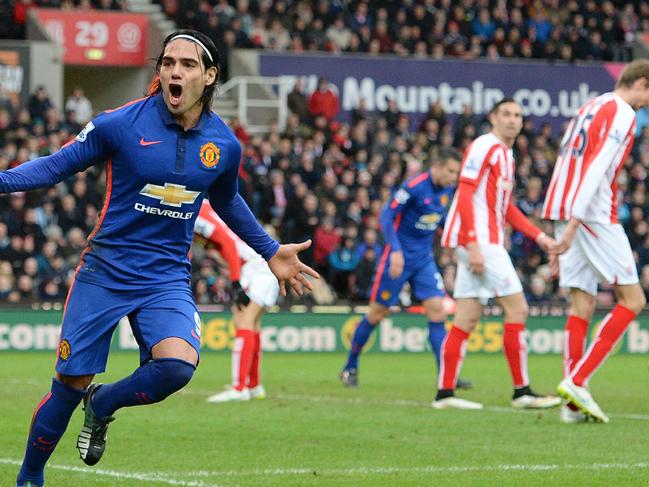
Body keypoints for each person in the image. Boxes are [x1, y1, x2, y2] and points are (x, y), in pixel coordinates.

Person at [11, 29, 317, 487]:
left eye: (188, 65)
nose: (175, 71)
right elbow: (56, 165)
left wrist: (271, 251)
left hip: (165, 277)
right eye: (168, 62)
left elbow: (228, 201)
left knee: (175, 366)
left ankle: (104, 404)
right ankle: (30, 477)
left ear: (210, 76)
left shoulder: (224, 145)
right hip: (105, 271)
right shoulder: (119, 123)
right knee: (68, 384)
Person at [435, 98, 561, 411]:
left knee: (467, 316)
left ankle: (444, 395)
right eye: (506, 114)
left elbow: (507, 210)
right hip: (479, 241)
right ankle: (522, 392)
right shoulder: (485, 146)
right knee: (517, 309)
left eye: (518, 115)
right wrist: (473, 242)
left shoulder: (506, 154)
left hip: (476, 241)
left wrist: (540, 236)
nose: (513, 120)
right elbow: (464, 191)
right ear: (493, 118)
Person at [544, 60, 649, 423]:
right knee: (633, 299)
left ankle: (572, 406)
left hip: (562, 204)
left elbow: (565, 157)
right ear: (641, 83)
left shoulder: (590, 106)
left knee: (581, 305)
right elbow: (598, 165)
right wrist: (574, 221)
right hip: (591, 212)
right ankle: (578, 380)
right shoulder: (623, 112)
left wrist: (562, 217)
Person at [340, 148, 471, 388]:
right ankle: (350, 366)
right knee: (377, 313)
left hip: (423, 259)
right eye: (451, 171)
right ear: (438, 166)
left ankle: (446, 376)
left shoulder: (446, 190)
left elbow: (437, 219)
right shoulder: (413, 186)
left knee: (438, 312)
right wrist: (396, 250)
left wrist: (452, 239)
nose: (454, 177)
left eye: (457, 172)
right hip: (397, 259)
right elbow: (386, 216)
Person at [194, 200, 279, 402]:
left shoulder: (197, 213)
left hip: (253, 266)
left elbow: (229, 243)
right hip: (257, 262)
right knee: (253, 323)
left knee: (244, 320)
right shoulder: (206, 206)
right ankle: (253, 385)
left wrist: (235, 282)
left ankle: (239, 387)